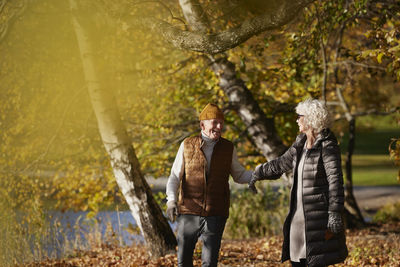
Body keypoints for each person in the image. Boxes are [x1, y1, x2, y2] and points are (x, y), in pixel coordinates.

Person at [248, 98, 348, 267]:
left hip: (318, 218)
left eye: (299, 116)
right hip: (297, 219)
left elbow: (335, 182)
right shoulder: (300, 143)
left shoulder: (328, 146)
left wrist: (334, 213)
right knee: (297, 261)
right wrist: (258, 172)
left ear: (310, 118)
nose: (296, 120)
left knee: (315, 261)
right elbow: (281, 164)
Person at [166, 103, 253, 267]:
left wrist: (258, 174)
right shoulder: (187, 145)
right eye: (215, 122)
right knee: (183, 262)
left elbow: (239, 174)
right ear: (202, 124)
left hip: (216, 213)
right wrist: (171, 201)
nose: (219, 127)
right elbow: (174, 176)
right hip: (189, 212)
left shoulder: (228, 147)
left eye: (221, 123)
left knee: (210, 263)